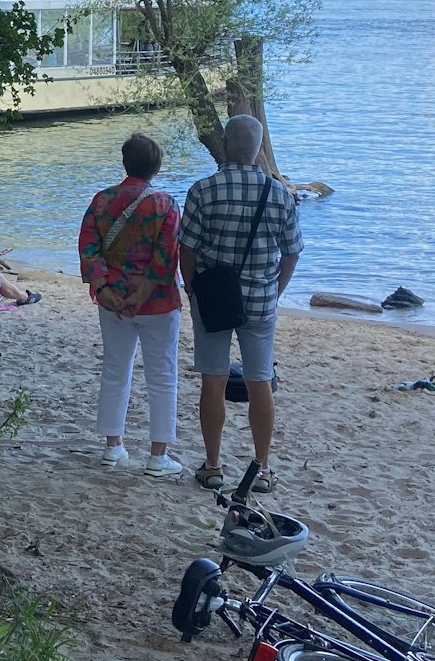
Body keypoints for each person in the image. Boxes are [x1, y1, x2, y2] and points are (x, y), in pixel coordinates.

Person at [179, 115, 301, 493]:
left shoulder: (202, 190)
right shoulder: (279, 194)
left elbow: (187, 248)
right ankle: (262, 469)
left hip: (213, 299)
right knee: (260, 380)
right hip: (261, 300)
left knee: (213, 380)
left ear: (225, 145)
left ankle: (213, 466)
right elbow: (292, 253)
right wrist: (275, 291)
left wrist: (191, 287)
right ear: (259, 149)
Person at [79, 134, 182, 477]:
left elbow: (88, 248)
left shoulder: (102, 200)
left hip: (112, 300)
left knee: (115, 370)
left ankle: (113, 446)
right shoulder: (165, 203)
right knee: (162, 375)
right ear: (157, 167)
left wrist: (104, 290)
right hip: (157, 303)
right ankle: (158, 455)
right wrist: (140, 295)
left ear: (125, 163)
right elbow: (166, 257)